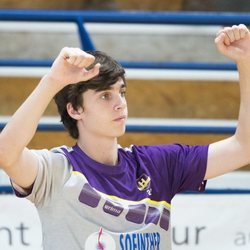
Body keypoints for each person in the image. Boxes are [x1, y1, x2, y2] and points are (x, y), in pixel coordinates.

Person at [0, 24, 250, 250]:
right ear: (75, 110)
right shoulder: (56, 171)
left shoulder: (159, 165)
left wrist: (246, 61)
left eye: (121, 92)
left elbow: (244, 147)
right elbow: (6, 153)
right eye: (105, 96)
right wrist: (53, 81)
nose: (120, 103)